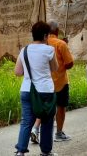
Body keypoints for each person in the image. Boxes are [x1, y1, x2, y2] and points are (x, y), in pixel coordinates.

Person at [14, 21, 58, 156]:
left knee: (26, 121)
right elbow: (55, 68)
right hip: (45, 91)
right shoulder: (49, 50)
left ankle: (20, 151)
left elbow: (18, 72)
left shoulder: (24, 50)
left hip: (27, 90)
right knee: (47, 121)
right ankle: (45, 151)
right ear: (45, 36)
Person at [30, 21, 74, 144]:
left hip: (43, 83)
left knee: (44, 108)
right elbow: (69, 63)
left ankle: (35, 128)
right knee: (60, 107)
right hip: (60, 82)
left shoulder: (40, 43)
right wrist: (66, 46)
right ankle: (59, 133)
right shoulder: (61, 44)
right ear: (57, 31)